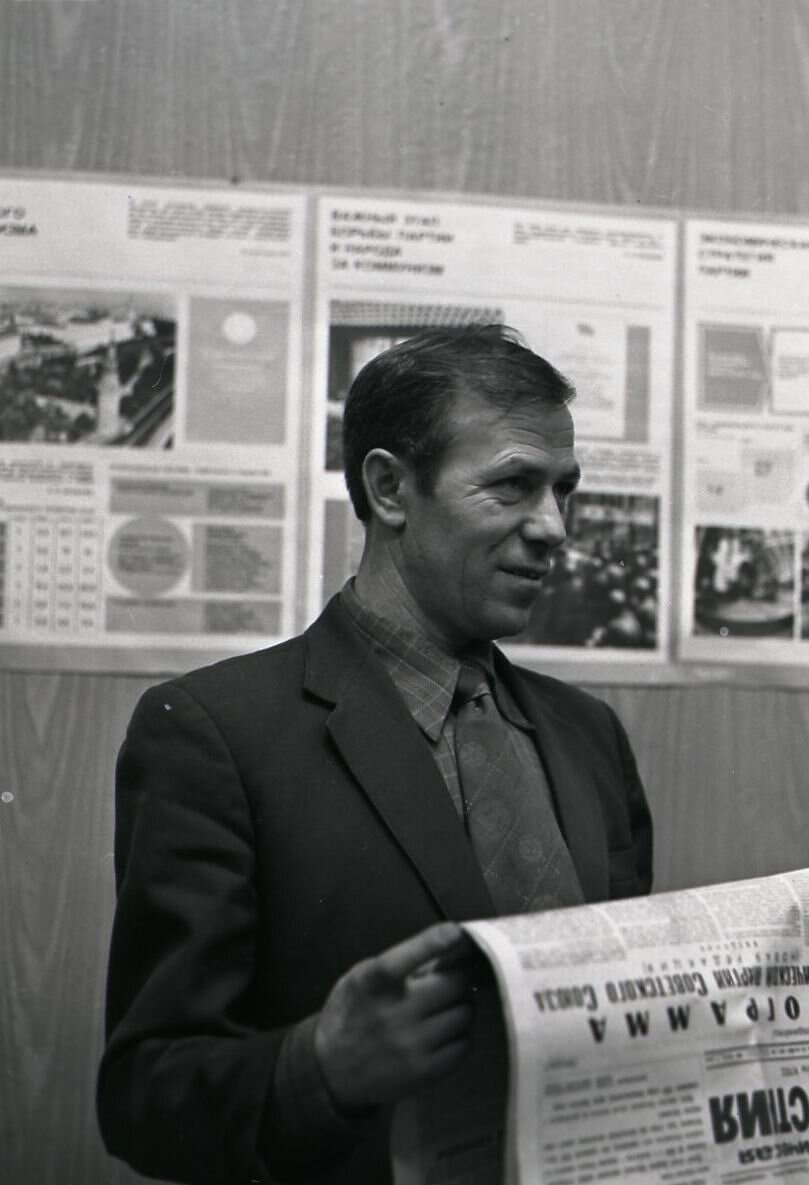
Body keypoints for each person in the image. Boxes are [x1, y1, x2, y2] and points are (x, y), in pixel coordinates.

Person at [97, 325, 654, 1185]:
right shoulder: (213, 733)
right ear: (390, 488)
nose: (554, 527)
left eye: (563, 490)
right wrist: (318, 1066)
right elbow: (145, 1095)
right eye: (513, 485)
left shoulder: (589, 735)